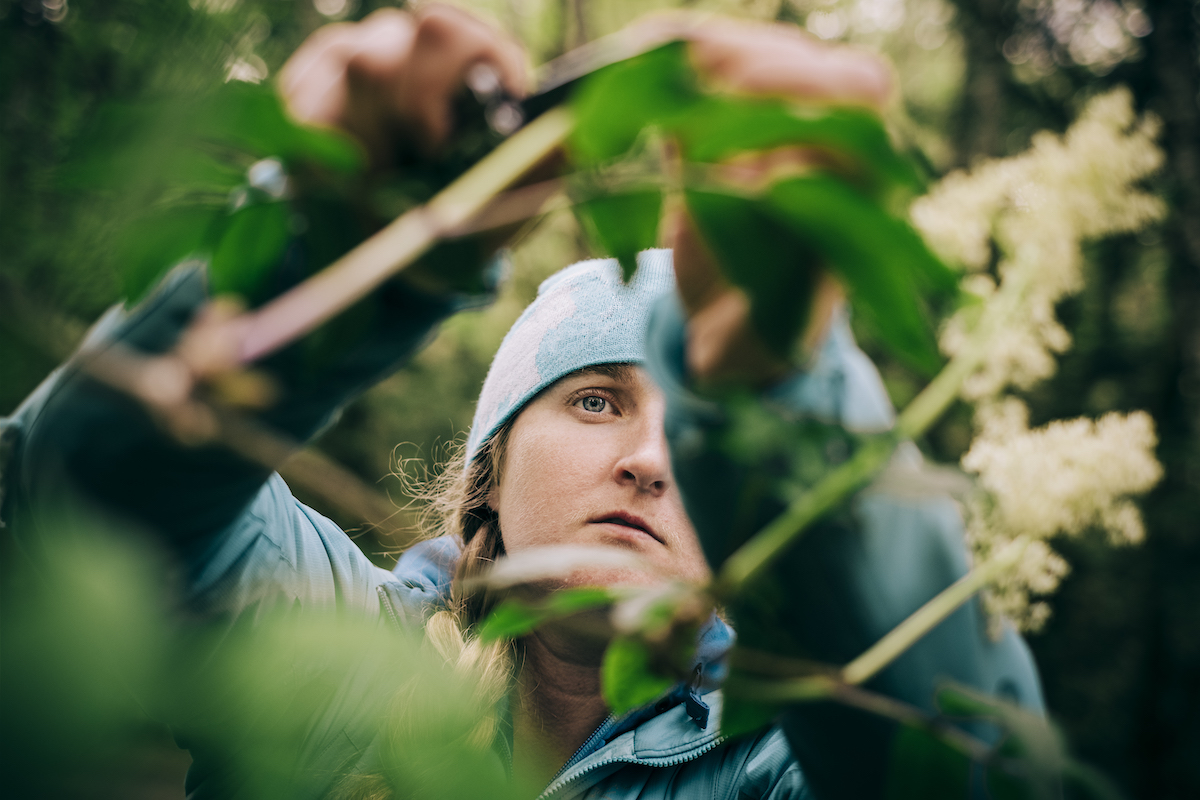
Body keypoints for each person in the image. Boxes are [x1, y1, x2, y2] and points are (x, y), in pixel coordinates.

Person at [1, 5, 1044, 799]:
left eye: (696, 432)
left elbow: (967, 767)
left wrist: (788, 396)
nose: (651, 459)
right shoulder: (357, 666)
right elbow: (88, 491)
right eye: (595, 401)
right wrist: (340, 255)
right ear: (489, 475)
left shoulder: (784, 752)